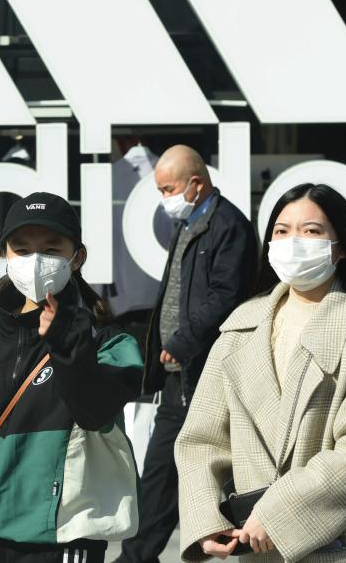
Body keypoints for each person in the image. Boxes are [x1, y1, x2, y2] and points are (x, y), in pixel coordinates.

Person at [175, 183, 346, 562]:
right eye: (281, 231)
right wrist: (205, 520)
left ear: (341, 246)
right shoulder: (240, 327)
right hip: (253, 548)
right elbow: (201, 439)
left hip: (339, 546)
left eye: (311, 231)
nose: (293, 241)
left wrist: (279, 514)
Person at [0, 192, 143, 563]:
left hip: (66, 532)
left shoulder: (109, 341)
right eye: (21, 249)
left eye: (51, 249)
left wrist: (69, 343)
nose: (35, 261)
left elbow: (94, 411)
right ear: (5, 255)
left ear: (76, 257)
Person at [116, 146, 257, 563]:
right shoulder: (189, 222)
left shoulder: (228, 226)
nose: (165, 198)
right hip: (182, 374)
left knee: (209, 467)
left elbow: (225, 297)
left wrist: (180, 341)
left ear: (197, 184)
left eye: (169, 188)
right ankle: (138, 556)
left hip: (207, 369)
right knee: (162, 468)